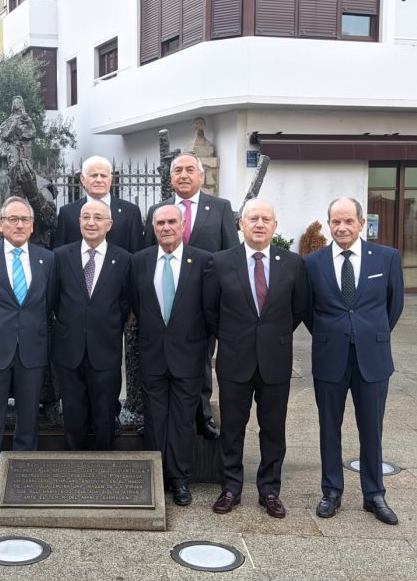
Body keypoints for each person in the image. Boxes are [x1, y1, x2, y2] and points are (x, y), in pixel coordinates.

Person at [204, 198, 310, 516]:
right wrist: (235, 337)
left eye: (266, 219)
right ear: (241, 224)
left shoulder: (292, 263)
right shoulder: (221, 262)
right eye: (253, 218)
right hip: (234, 359)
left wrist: (271, 335)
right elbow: (211, 311)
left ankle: (269, 490)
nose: (260, 224)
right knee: (233, 428)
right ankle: (231, 487)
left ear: (275, 226)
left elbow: (298, 309)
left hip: (275, 361)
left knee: (273, 428)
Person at [303, 197, 404, 525]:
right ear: (329, 224)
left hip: (372, 358)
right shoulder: (312, 263)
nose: (342, 227)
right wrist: (333, 333)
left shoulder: (386, 258)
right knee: (329, 427)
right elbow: (307, 310)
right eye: (336, 221)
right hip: (329, 356)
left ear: (362, 224)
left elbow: (394, 306)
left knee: (372, 429)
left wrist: (367, 333)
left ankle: (374, 494)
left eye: (348, 221)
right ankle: (331, 490)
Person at [145, 153, 239, 440]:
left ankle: (203, 415)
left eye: (189, 170)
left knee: (202, 360)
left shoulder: (220, 207)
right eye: (177, 170)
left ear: (201, 176)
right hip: (168, 300)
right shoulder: (158, 210)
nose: (183, 175)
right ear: (170, 177)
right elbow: (148, 256)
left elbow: (230, 254)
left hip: (204, 301)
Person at [0, 196, 54, 500]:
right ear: (0, 225)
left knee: (29, 413)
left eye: (25, 220)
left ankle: (23, 471)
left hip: (32, 345)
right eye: (13, 219)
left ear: (32, 227)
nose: (19, 225)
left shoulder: (47, 259)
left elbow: (50, 302)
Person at [132, 204, 213, 505]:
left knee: (182, 420)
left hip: (188, 354)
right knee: (155, 419)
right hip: (152, 352)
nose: (166, 227)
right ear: (153, 227)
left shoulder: (203, 261)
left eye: (171, 222)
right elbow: (134, 303)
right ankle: (156, 477)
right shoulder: (139, 261)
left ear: (182, 226)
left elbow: (209, 309)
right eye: (160, 222)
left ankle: (179, 479)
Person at [51, 199, 133, 451]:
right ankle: (75, 469)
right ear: (78, 222)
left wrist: (105, 324)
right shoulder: (60, 256)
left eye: (98, 218)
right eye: (86, 217)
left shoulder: (124, 259)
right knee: (73, 415)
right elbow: (54, 299)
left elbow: (126, 302)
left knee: (104, 415)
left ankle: (103, 470)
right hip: (69, 350)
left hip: (105, 350)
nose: (91, 222)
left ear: (109, 224)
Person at [52, 156, 144, 253]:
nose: (99, 180)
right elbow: (59, 255)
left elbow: (137, 256)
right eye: (94, 175)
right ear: (83, 179)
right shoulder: (67, 213)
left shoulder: (130, 212)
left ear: (110, 179)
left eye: (103, 176)